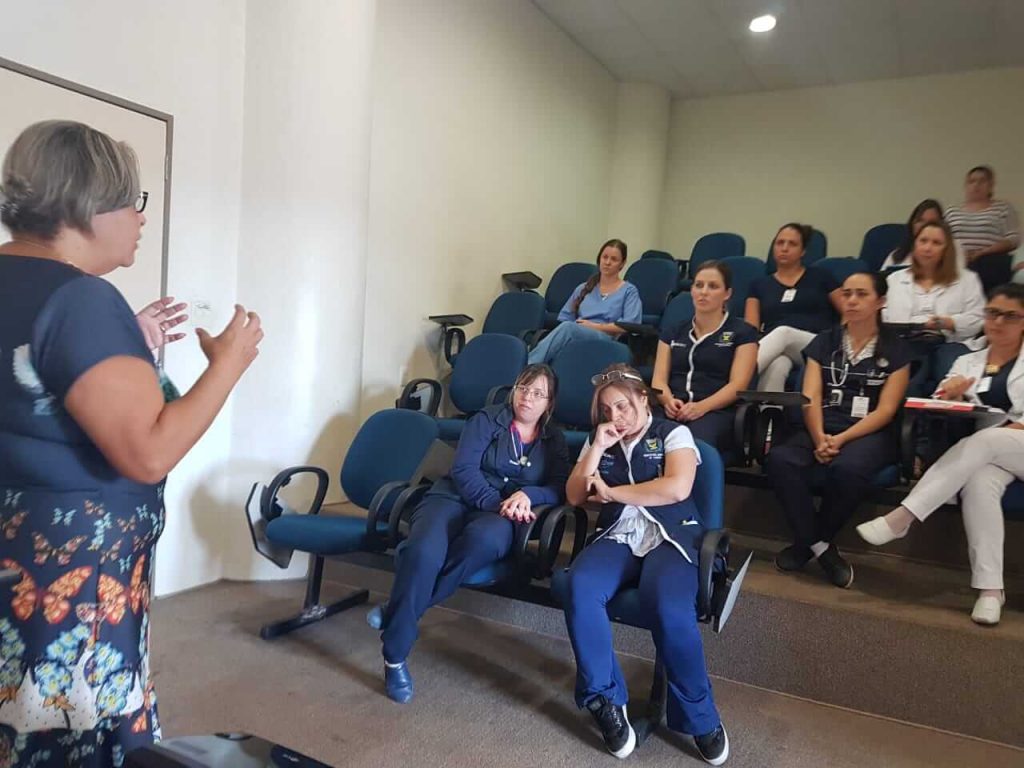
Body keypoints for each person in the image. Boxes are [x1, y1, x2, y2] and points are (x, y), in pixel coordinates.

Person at [0, 120, 262, 765]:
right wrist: (228, 365)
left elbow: (31, 387)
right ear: (87, 205)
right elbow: (147, 452)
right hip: (71, 576)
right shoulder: (81, 300)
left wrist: (120, 341)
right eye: (132, 201)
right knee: (72, 731)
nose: (141, 218)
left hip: (14, 548)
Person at [368, 364, 569, 703]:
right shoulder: (486, 420)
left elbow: (559, 486)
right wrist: (498, 503)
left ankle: (400, 610)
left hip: (501, 517)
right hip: (454, 497)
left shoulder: (554, 439)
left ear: (549, 403)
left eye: (538, 394)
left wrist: (529, 495)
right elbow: (463, 470)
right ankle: (395, 656)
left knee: (484, 542)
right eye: (523, 388)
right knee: (422, 552)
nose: (527, 397)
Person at [561, 364, 729, 765]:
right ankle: (605, 700)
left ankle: (701, 717)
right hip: (620, 534)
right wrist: (597, 448)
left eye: (622, 406)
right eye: (606, 410)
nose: (615, 417)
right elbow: (574, 495)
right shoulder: (601, 438)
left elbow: (677, 488)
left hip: (671, 535)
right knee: (580, 584)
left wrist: (613, 492)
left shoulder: (673, 433)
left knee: (668, 605)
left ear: (642, 399)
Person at [857, 284, 1024, 626]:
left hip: (1009, 445)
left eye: (1010, 316)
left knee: (985, 441)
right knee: (979, 484)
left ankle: (903, 517)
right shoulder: (966, 359)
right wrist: (953, 395)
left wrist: (1002, 431)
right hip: (992, 453)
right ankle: (990, 591)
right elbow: (939, 403)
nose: (998, 322)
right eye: (993, 313)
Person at [766, 273, 911, 588]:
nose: (852, 300)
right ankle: (822, 548)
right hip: (821, 424)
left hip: (868, 432)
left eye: (862, 294)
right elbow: (811, 396)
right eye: (847, 294)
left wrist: (842, 439)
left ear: (881, 301)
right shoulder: (825, 342)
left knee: (848, 469)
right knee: (780, 459)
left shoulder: (896, 350)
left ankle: (807, 544)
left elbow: (886, 410)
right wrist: (819, 437)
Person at [652, 260, 758, 457]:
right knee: (643, 436)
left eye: (713, 286)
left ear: (727, 294)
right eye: (699, 285)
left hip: (716, 411)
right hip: (673, 407)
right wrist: (668, 400)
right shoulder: (673, 331)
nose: (704, 292)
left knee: (688, 446)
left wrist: (701, 407)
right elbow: (658, 379)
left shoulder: (744, 333)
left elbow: (738, 385)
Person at [883, 220, 985, 394]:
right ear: (915, 244)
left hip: (950, 342)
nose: (928, 248)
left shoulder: (967, 279)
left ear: (947, 249)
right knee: (907, 386)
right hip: (908, 343)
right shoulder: (895, 280)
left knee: (954, 384)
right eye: (923, 241)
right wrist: (918, 326)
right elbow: (885, 317)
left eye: (936, 243)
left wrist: (949, 322)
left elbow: (978, 318)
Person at [745, 223, 842, 392]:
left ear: (803, 251)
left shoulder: (822, 276)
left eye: (792, 244)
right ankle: (769, 408)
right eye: (780, 243)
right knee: (778, 364)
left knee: (784, 333)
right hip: (780, 347)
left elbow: (847, 310)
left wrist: (840, 342)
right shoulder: (759, 284)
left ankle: (732, 382)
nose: (784, 248)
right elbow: (750, 329)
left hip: (819, 345)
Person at [528, 239, 641, 364]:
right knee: (566, 329)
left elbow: (630, 325)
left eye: (614, 259)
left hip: (608, 337)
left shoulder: (629, 291)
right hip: (577, 333)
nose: (608, 262)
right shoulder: (583, 288)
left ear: (622, 264)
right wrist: (579, 328)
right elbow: (566, 317)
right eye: (605, 257)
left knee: (568, 328)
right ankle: (536, 368)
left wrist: (594, 326)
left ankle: (528, 365)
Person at [944, 165, 1020, 293]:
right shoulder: (952, 211)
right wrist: (960, 254)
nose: (976, 185)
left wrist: (982, 252)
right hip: (957, 260)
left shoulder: (1003, 208)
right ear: (966, 186)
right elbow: (942, 238)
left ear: (991, 186)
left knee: (985, 266)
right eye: (972, 181)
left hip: (991, 261)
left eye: (982, 181)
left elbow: (1013, 239)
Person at [881, 199, 965, 271]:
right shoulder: (897, 254)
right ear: (912, 223)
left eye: (932, 222)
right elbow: (880, 280)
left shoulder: (954, 247)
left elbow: (958, 278)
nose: (925, 226)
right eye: (920, 220)